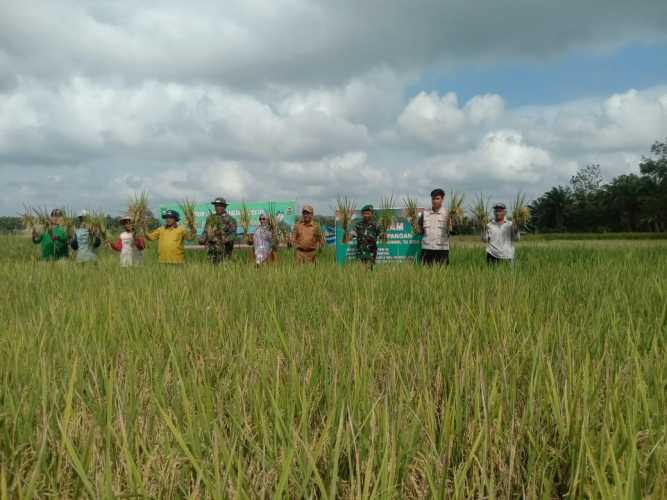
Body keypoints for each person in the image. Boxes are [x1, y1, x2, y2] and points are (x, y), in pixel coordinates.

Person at [416, 188, 453, 265]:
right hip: (427, 249)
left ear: (442, 199)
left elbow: (453, 231)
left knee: (443, 272)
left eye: (437, 198)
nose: (435, 201)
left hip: (442, 250)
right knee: (424, 272)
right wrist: (415, 226)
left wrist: (452, 226)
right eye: (433, 199)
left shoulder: (447, 214)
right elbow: (420, 230)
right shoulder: (425, 213)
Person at [199, 197, 237, 263]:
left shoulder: (230, 219)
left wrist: (225, 240)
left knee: (224, 268)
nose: (217, 207)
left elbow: (233, 234)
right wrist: (202, 239)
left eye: (220, 205)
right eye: (216, 206)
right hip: (211, 251)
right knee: (211, 268)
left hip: (225, 252)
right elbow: (205, 231)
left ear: (224, 206)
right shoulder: (210, 218)